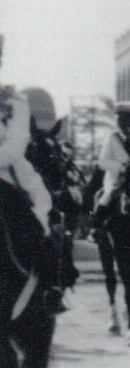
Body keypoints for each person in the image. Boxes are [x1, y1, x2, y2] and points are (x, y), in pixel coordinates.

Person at [0, 85, 65, 313]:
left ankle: (50, 288)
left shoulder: (14, 101)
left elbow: (16, 145)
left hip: (9, 172)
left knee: (40, 211)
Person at [93, 102, 130, 225]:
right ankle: (96, 227)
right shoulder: (112, 137)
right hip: (117, 180)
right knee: (107, 197)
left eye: (127, 119)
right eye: (121, 119)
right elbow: (102, 161)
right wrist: (121, 168)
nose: (124, 122)